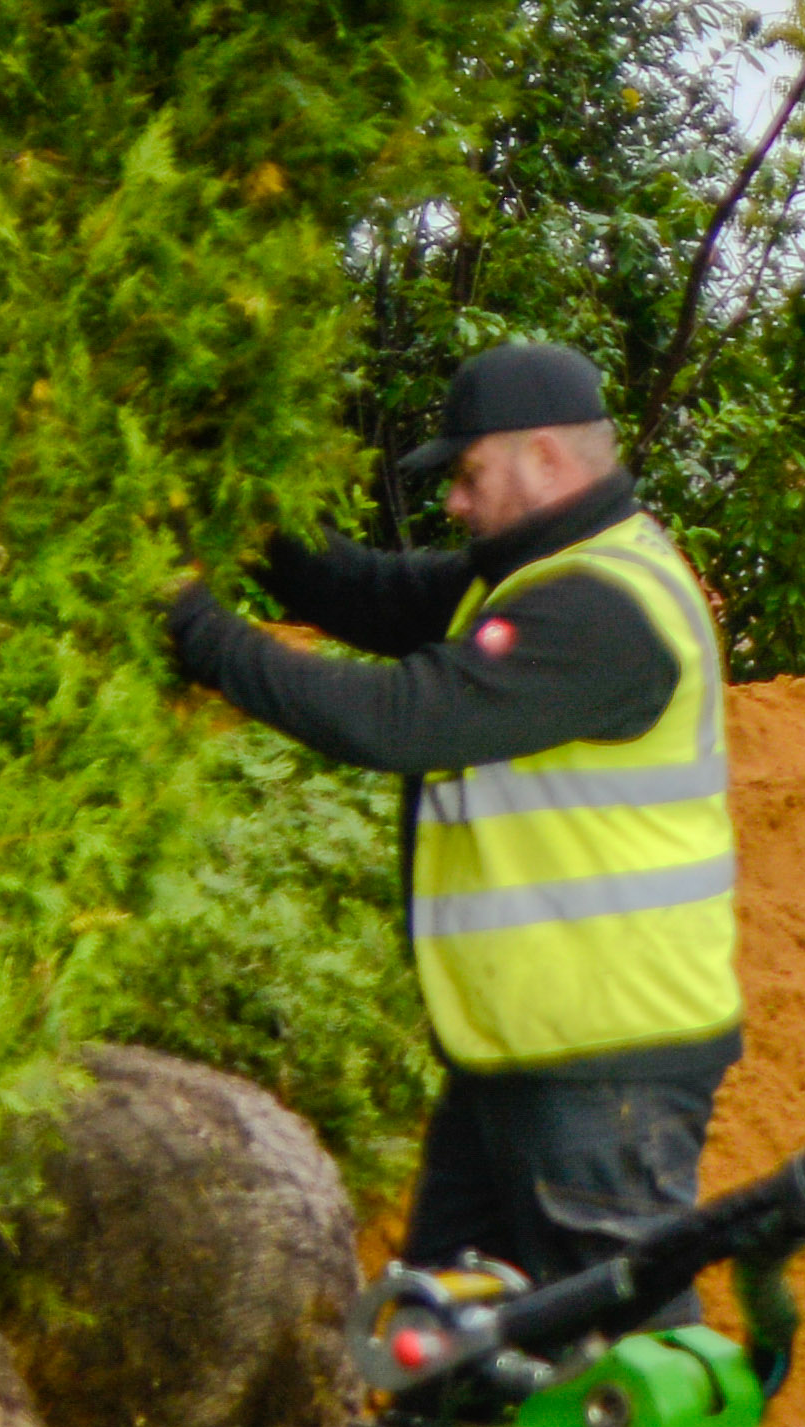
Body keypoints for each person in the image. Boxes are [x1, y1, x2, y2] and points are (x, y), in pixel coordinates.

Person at [161, 340, 740, 1286]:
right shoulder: (524, 577)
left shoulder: (602, 609)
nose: (455, 503)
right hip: (521, 1052)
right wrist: (238, 509)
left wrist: (193, 626)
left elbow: (398, 718)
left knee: (615, 1365)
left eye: (470, 475)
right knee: (450, 1336)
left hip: (609, 1065)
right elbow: (362, 592)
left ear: (545, 459)